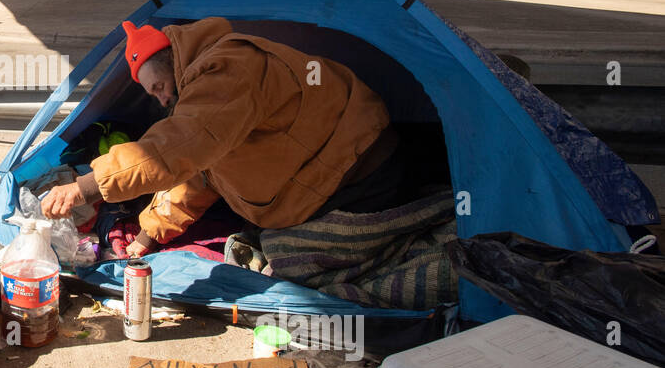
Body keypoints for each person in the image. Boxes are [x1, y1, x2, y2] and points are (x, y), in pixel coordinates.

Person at [41, 17, 403, 256]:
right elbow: (198, 173)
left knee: (286, 256)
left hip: (358, 167)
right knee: (267, 242)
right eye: (153, 96)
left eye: (160, 87)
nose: (162, 98)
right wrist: (147, 236)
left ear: (170, 59)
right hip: (329, 174)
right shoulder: (206, 102)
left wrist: (83, 187)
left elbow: (178, 145)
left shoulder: (227, 66)